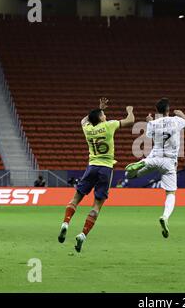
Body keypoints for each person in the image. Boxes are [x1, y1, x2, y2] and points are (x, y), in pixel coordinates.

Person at [58, 97, 135, 253]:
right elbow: (130, 121)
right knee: (96, 206)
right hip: (106, 169)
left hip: (92, 167)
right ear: (100, 118)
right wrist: (130, 110)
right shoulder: (109, 125)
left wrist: (99, 109)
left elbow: (83, 120)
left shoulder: (88, 129)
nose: (105, 115)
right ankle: (82, 235)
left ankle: (65, 223)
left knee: (76, 198)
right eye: (103, 114)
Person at [125, 97, 185, 238]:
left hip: (154, 158)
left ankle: (142, 163)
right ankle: (165, 216)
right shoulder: (176, 120)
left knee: (130, 176)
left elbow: (150, 134)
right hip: (169, 163)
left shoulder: (153, 123)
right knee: (170, 193)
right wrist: (181, 114)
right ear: (168, 110)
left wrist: (149, 121)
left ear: (157, 111)